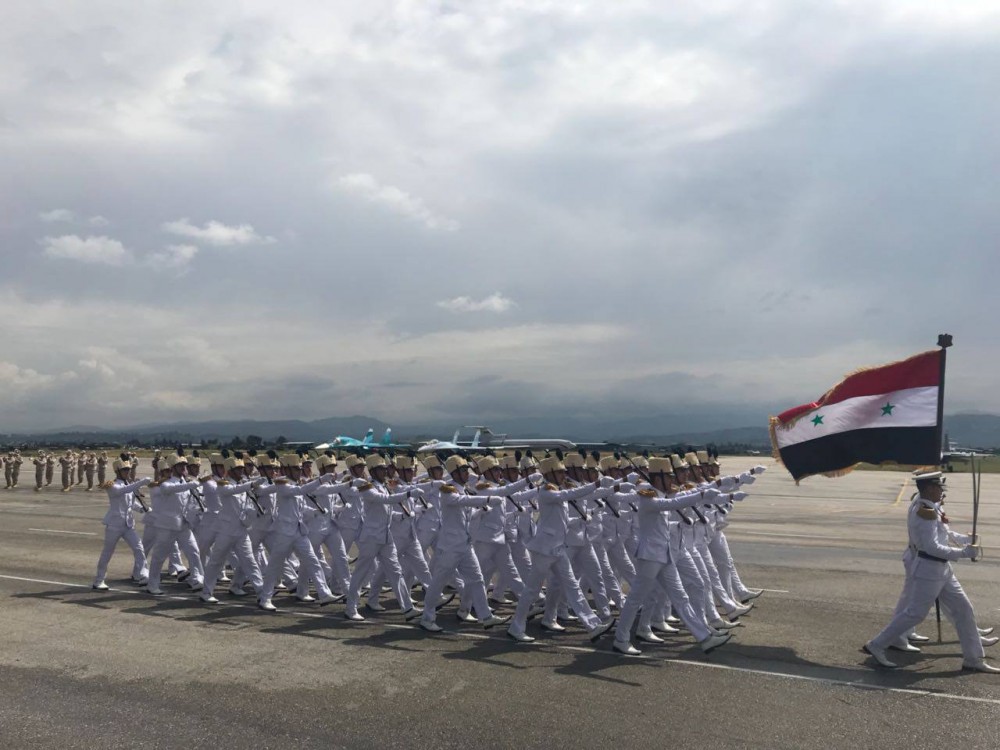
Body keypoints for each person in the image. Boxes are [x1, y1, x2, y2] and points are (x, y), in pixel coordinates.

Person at [864, 471, 999, 673]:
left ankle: (973, 658)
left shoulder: (931, 507)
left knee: (964, 609)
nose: (941, 492)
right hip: (929, 569)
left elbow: (944, 532)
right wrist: (963, 552)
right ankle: (877, 644)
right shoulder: (924, 512)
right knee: (915, 614)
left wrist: (965, 539)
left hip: (942, 569)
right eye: (938, 488)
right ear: (929, 489)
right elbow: (931, 547)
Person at [92, 454, 151, 590]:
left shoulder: (128, 484)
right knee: (108, 553)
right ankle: (99, 580)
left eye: (128, 470)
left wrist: (142, 509)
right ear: (117, 471)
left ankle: (142, 574)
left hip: (128, 524)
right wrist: (141, 482)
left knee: (139, 548)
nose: (128, 472)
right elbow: (123, 491)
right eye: (125, 470)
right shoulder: (112, 486)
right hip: (114, 525)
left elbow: (130, 503)